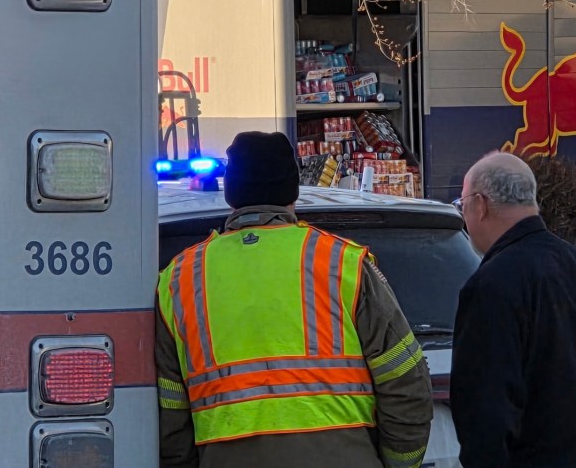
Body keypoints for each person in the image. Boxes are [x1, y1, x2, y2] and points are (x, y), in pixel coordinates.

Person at [156, 131, 433, 468]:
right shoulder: (341, 263)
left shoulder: (179, 279)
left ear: (231, 196)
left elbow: (169, 412)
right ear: (293, 193)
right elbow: (405, 382)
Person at [450, 151, 576, 468]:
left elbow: (486, 411)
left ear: (480, 205)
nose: (464, 216)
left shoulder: (492, 284)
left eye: (462, 204)